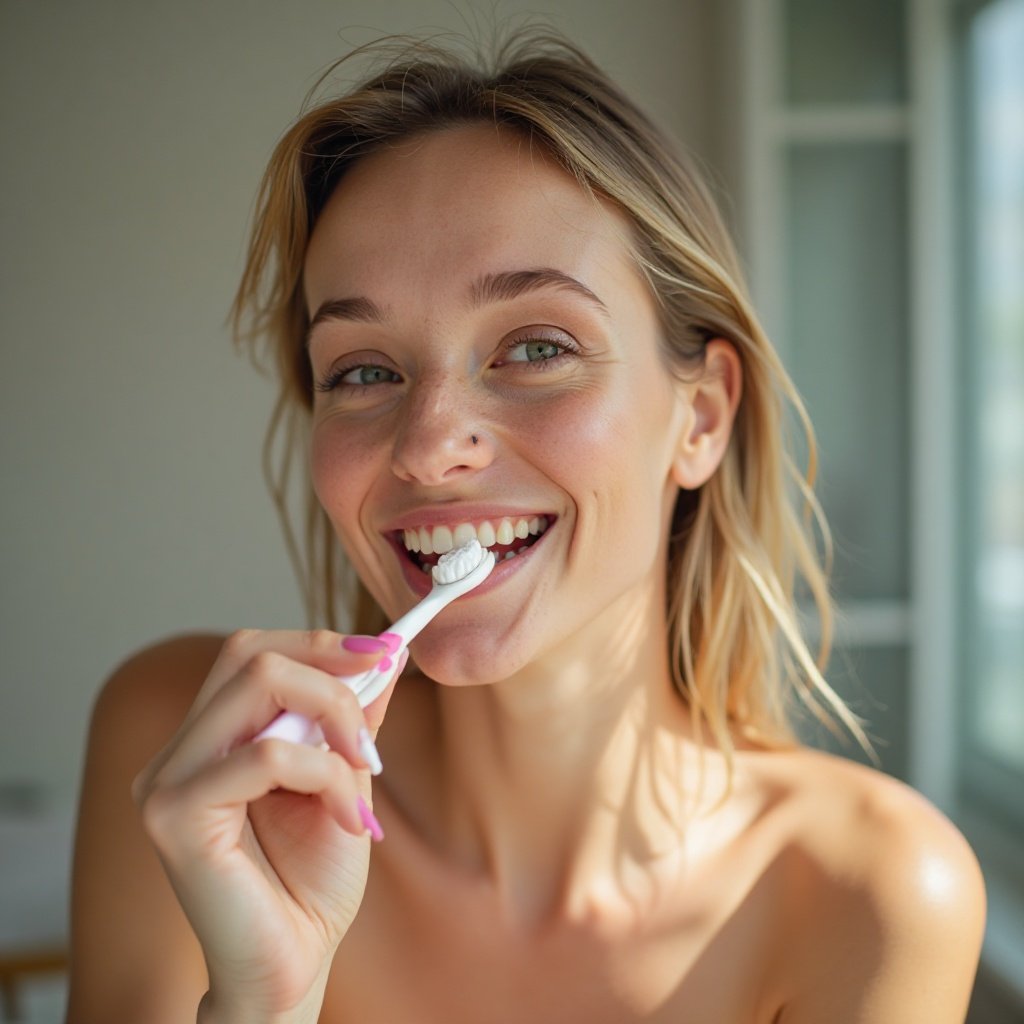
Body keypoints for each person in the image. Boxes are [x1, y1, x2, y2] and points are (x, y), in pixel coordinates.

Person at [67, 32, 985, 1024]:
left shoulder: (870, 895)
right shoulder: (192, 761)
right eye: (364, 369)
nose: (426, 446)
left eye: (535, 347)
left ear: (702, 416)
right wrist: (259, 1003)